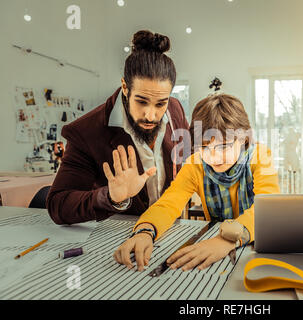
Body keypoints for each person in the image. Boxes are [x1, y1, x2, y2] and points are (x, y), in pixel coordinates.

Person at [113, 93, 280, 271]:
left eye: (224, 146)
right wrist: (145, 231)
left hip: (255, 244)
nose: (213, 156)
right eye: (204, 147)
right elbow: (168, 204)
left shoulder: (260, 156)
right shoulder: (195, 165)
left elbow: (268, 209)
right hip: (215, 250)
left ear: (244, 138)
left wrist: (226, 240)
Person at [46, 30, 189, 225]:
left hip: (171, 226)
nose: (150, 115)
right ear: (125, 87)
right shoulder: (86, 132)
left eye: (160, 104)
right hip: (123, 236)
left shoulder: (175, 108)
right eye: (141, 101)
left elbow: (186, 156)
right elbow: (58, 205)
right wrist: (111, 197)